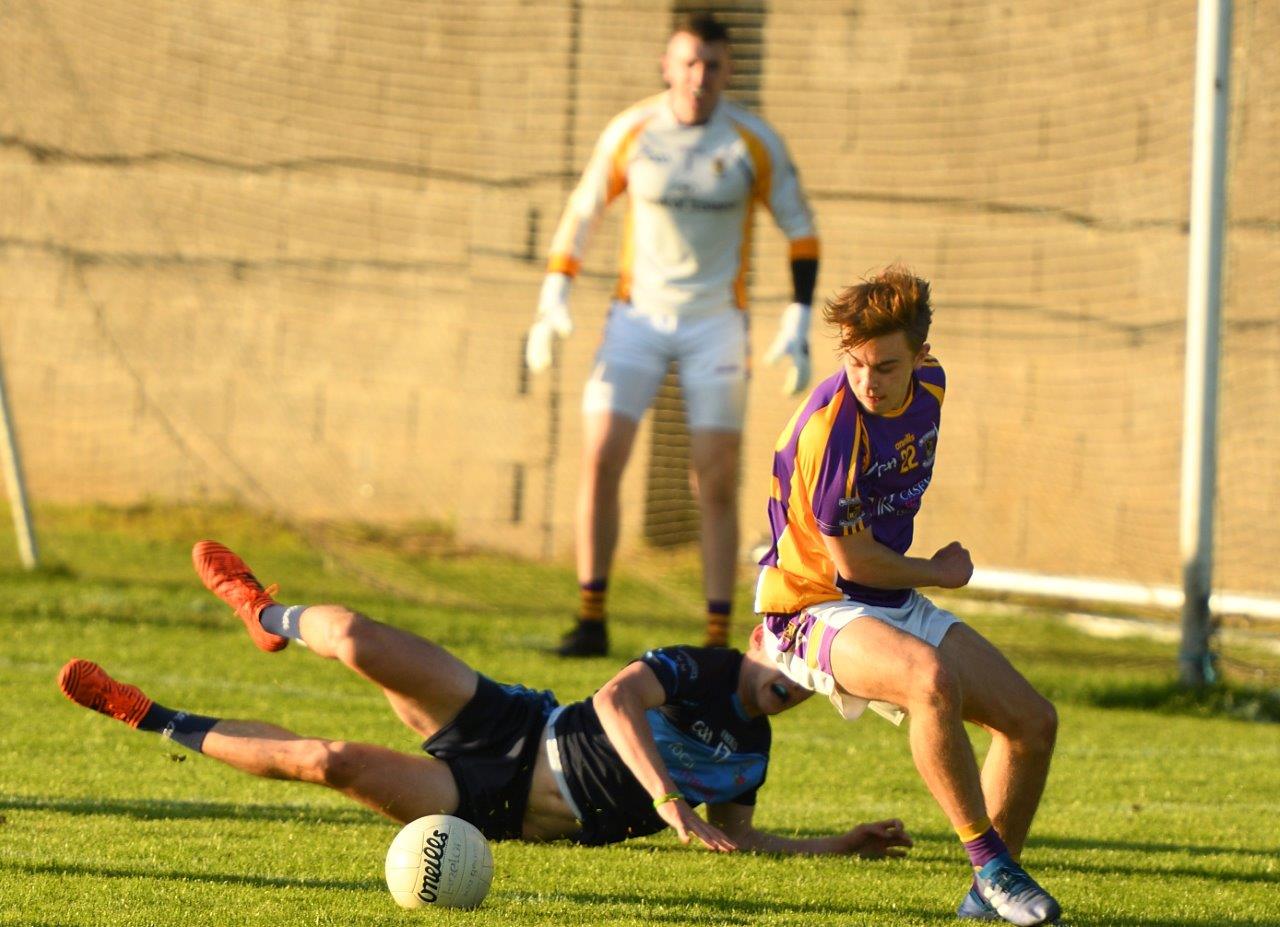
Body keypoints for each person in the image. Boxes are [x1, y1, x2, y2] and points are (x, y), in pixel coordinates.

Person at [58, 539, 913, 861]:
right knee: (353, 636)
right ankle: (262, 609)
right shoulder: (706, 665)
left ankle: (146, 713)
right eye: (796, 664)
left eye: (815, 689)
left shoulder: (753, 756)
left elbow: (743, 836)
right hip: (516, 718)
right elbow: (616, 700)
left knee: (328, 761)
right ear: (771, 638)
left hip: (491, 802)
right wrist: (666, 801)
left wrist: (843, 843)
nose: (795, 688)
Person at [753, 266, 1061, 926]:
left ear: (921, 356)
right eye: (857, 363)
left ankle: (985, 898)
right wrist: (938, 571)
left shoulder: (933, 388)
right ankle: (993, 863)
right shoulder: (831, 432)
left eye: (886, 366)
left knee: (1033, 724)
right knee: (929, 678)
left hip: (880, 596)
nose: (868, 381)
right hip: (810, 604)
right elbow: (853, 560)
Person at [525, 12, 820, 656]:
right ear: (667, 66)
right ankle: (591, 618)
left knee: (713, 477)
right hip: (636, 318)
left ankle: (718, 636)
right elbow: (583, 211)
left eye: (712, 65)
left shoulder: (751, 140)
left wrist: (797, 322)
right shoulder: (633, 131)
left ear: (727, 72)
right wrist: (555, 291)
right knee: (601, 455)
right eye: (687, 63)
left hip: (716, 324)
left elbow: (801, 231)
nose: (699, 77)